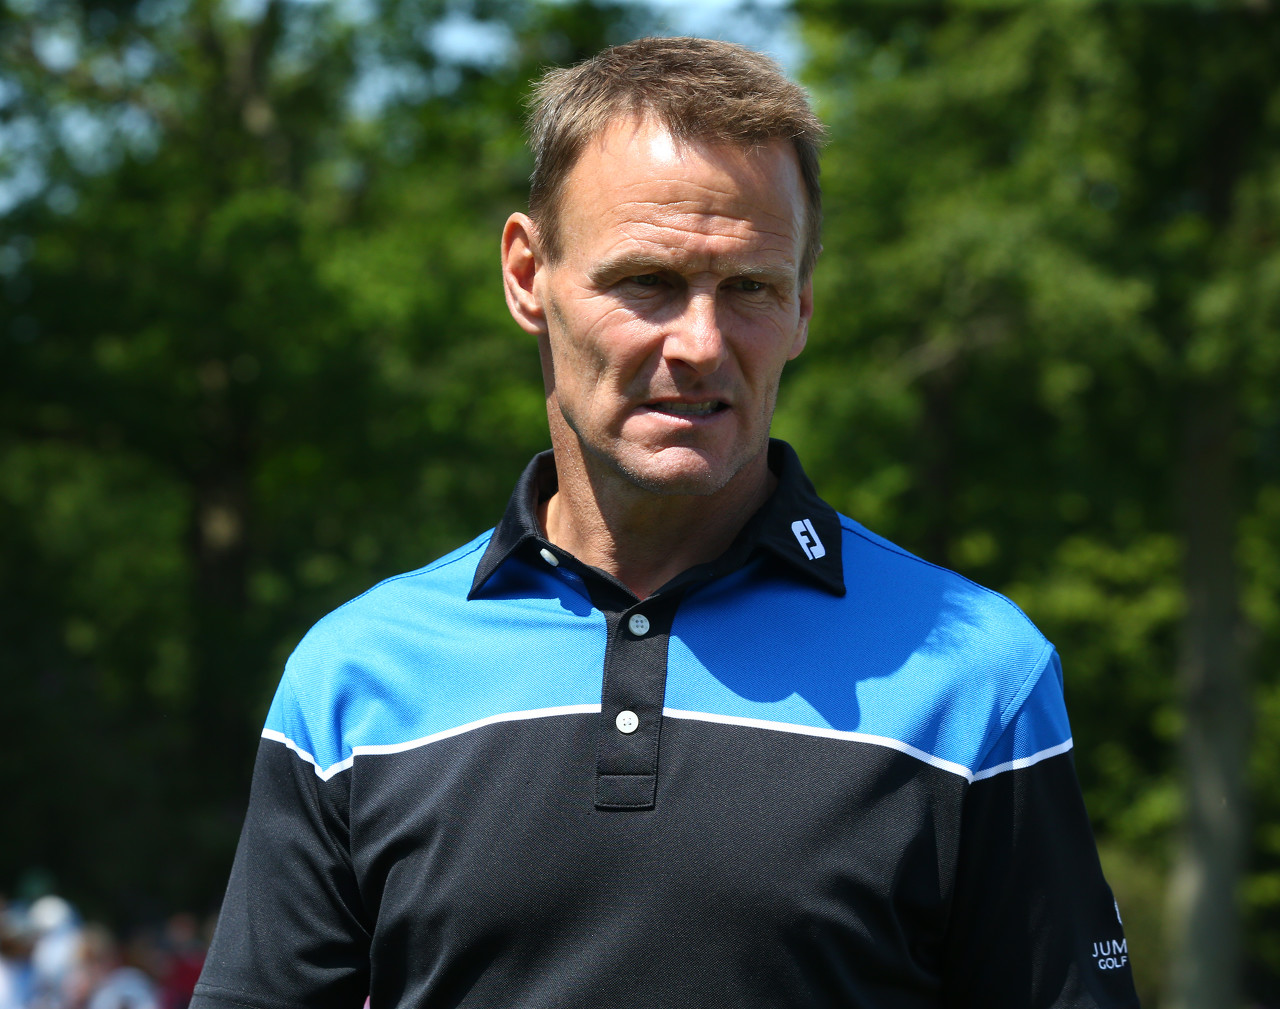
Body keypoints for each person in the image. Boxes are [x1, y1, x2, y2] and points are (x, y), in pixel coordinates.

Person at [191, 36, 1140, 1009]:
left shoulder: (978, 673)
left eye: (750, 288)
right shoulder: (354, 677)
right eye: (646, 281)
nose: (699, 344)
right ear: (527, 274)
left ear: (804, 302)